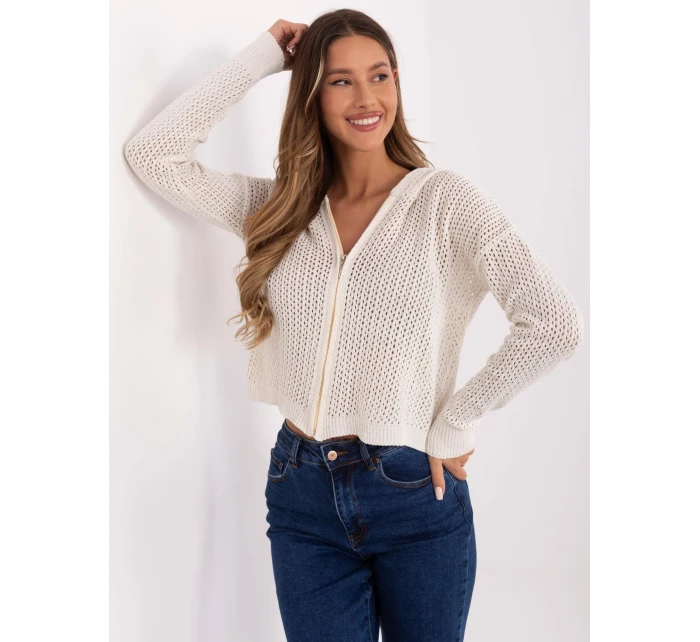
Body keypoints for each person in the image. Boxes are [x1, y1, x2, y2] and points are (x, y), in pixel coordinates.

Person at [124, 9, 584, 641]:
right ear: (311, 93)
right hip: (300, 490)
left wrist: (457, 418)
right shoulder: (280, 209)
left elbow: (554, 323)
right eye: (341, 81)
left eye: (380, 75)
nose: (367, 98)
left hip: (412, 489)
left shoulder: (445, 203)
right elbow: (153, 155)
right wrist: (264, 57)